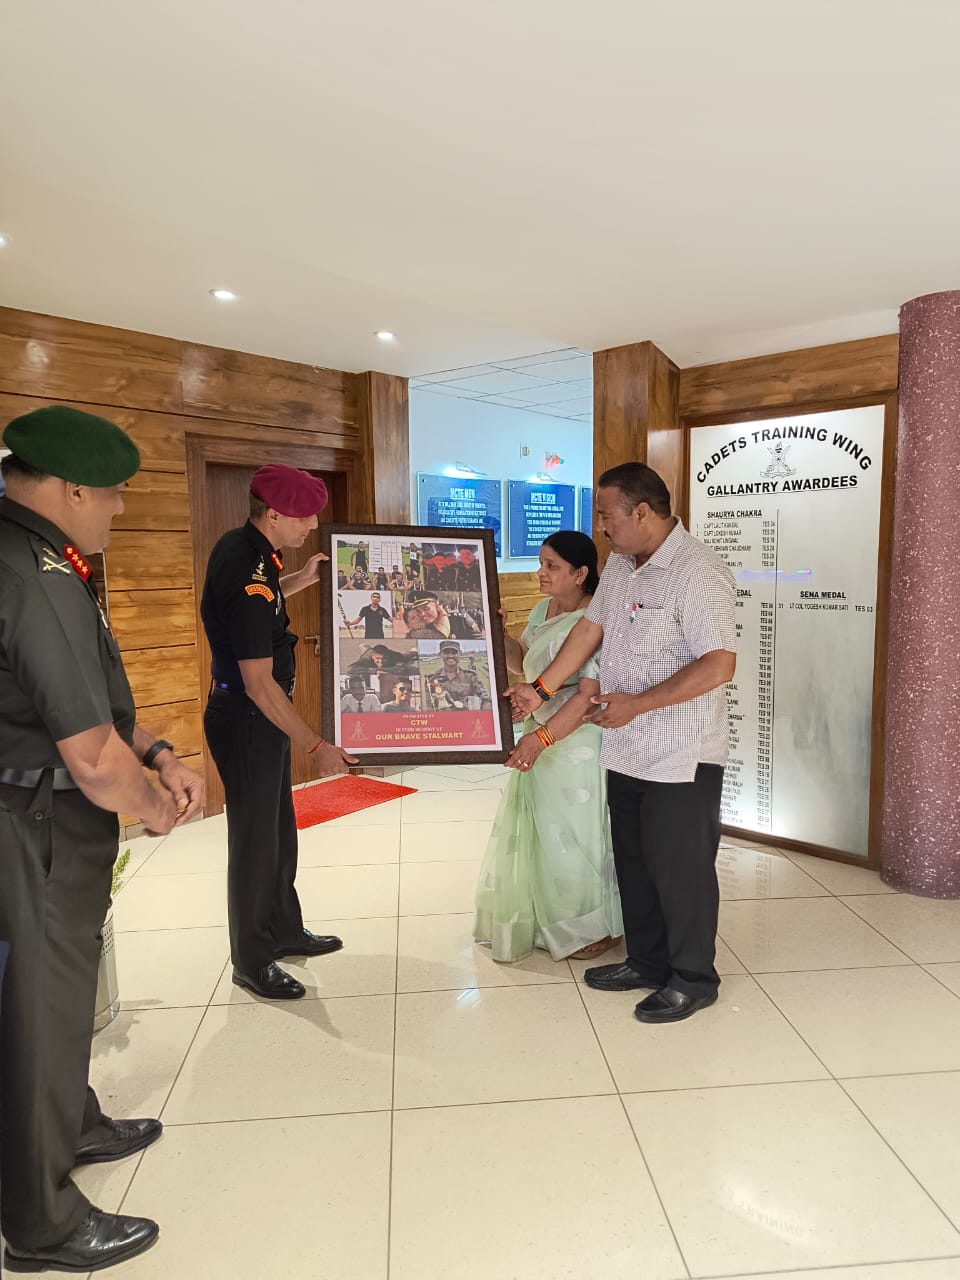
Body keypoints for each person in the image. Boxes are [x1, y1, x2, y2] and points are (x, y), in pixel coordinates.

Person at [0, 406, 205, 1272]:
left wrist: (156, 750)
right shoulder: (36, 573)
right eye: (113, 493)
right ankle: (42, 1224)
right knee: (41, 1010)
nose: (120, 508)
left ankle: (71, 1122)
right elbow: (88, 755)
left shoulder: (36, 555)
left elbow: (90, 710)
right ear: (70, 489)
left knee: (52, 999)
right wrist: (156, 806)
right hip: (34, 827)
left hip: (37, 812)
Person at [507, 463, 736, 1024]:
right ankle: (648, 961)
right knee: (635, 862)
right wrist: (541, 689)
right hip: (625, 747)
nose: (601, 527)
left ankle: (693, 978)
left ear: (642, 511)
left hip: (680, 752)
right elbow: (591, 630)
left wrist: (639, 703)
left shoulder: (699, 570)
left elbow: (718, 664)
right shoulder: (621, 566)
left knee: (679, 869)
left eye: (607, 515)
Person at [201, 464, 357, 1002]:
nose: (312, 525)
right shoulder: (244, 564)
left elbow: (264, 602)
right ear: (273, 514)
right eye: (305, 516)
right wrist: (317, 745)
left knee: (278, 831)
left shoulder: (253, 554)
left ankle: (284, 929)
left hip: (257, 719)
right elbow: (259, 684)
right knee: (253, 842)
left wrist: (303, 579)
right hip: (247, 718)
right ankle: (251, 959)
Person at [474, 532, 622, 963]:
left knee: (576, 837)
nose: (540, 572)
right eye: (541, 563)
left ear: (580, 573)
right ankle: (547, 921)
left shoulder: (595, 618)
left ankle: (590, 928)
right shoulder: (544, 610)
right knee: (543, 835)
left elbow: (587, 696)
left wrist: (542, 739)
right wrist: (497, 632)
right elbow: (524, 662)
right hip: (541, 732)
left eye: (552, 566)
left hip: (576, 742)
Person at [403, 591, 481, 640]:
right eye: (418, 611)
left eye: (426, 609)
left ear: (437, 606)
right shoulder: (421, 627)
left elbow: (479, 641)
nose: (422, 614)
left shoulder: (461, 620)